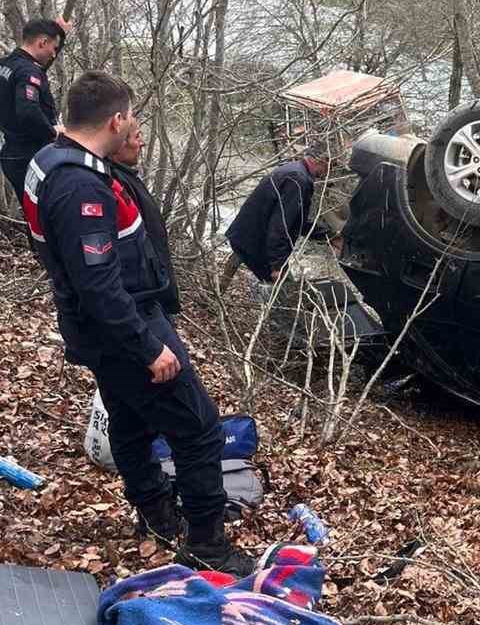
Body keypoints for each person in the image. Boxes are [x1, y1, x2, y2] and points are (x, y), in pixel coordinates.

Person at [24, 71, 254, 575]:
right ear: (116, 119)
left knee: (130, 416)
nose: (136, 129)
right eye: (131, 119)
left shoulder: (52, 158)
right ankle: (207, 546)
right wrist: (148, 346)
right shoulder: (79, 186)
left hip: (104, 324)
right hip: (123, 326)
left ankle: (154, 513)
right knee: (197, 429)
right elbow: (98, 285)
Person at [222, 147, 337, 287]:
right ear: (320, 161)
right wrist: (278, 265)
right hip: (254, 240)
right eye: (329, 166)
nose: (328, 172)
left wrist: (329, 236)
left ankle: (215, 298)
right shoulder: (298, 179)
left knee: (280, 287)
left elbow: (297, 220)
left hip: (245, 235)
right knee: (285, 290)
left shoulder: (294, 170)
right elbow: (280, 224)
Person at [111, 117, 179, 317]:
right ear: (118, 142)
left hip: (155, 293)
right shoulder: (115, 184)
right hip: (145, 301)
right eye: (137, 136)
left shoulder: (127, 177)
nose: (142, 143)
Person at [0, 17, 67, 203]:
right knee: (42, 216)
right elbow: (28, 111)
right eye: (53, 49)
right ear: (42, 42)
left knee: (33, 214)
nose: (54, 55)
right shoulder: (28, 72)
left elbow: (37, 69)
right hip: (28, 156)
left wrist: (61, 35)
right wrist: (53, 132)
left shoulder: (6, 64)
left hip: (12, 153)